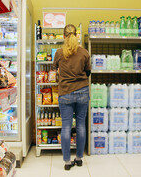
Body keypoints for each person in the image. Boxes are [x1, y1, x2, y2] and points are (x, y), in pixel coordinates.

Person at [53, 24, 91, 171]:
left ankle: (67, 161)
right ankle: (79, 158)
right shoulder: (84, 52)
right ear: (76, 35)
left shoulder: (59, 52)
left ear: (63, 36)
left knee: (66, 127)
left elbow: (55, 66)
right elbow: (88, 72)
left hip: (66, 92)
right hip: (82, 92)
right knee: (81, 125)